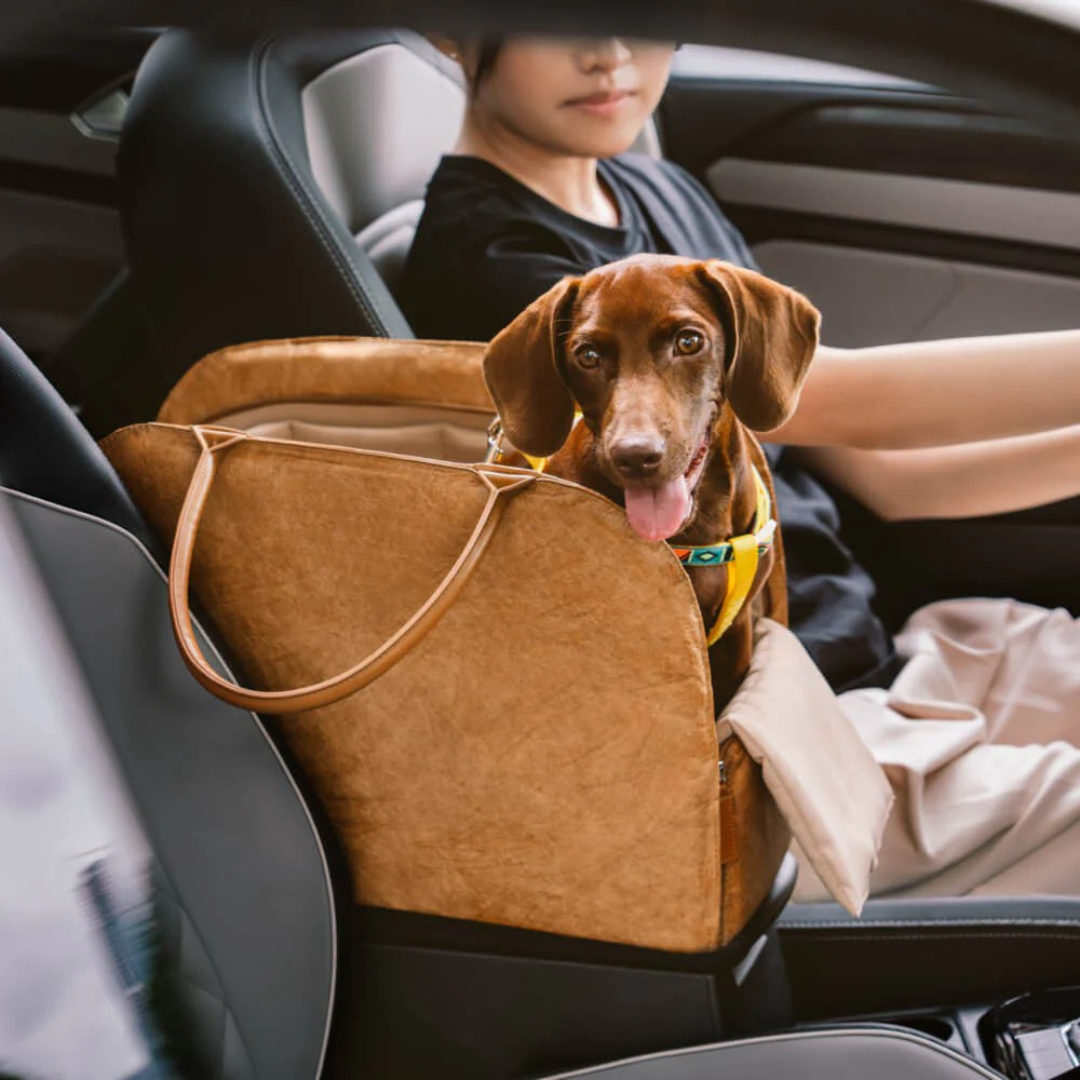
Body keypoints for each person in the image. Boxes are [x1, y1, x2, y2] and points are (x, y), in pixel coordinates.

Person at [400, 36, 1080, 901]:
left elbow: (880, 474)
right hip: (782, 725)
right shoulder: (497, 267)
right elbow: (854, 400)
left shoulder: (654, 187)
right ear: (449, 24)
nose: (608, 52)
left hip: (889, 649)